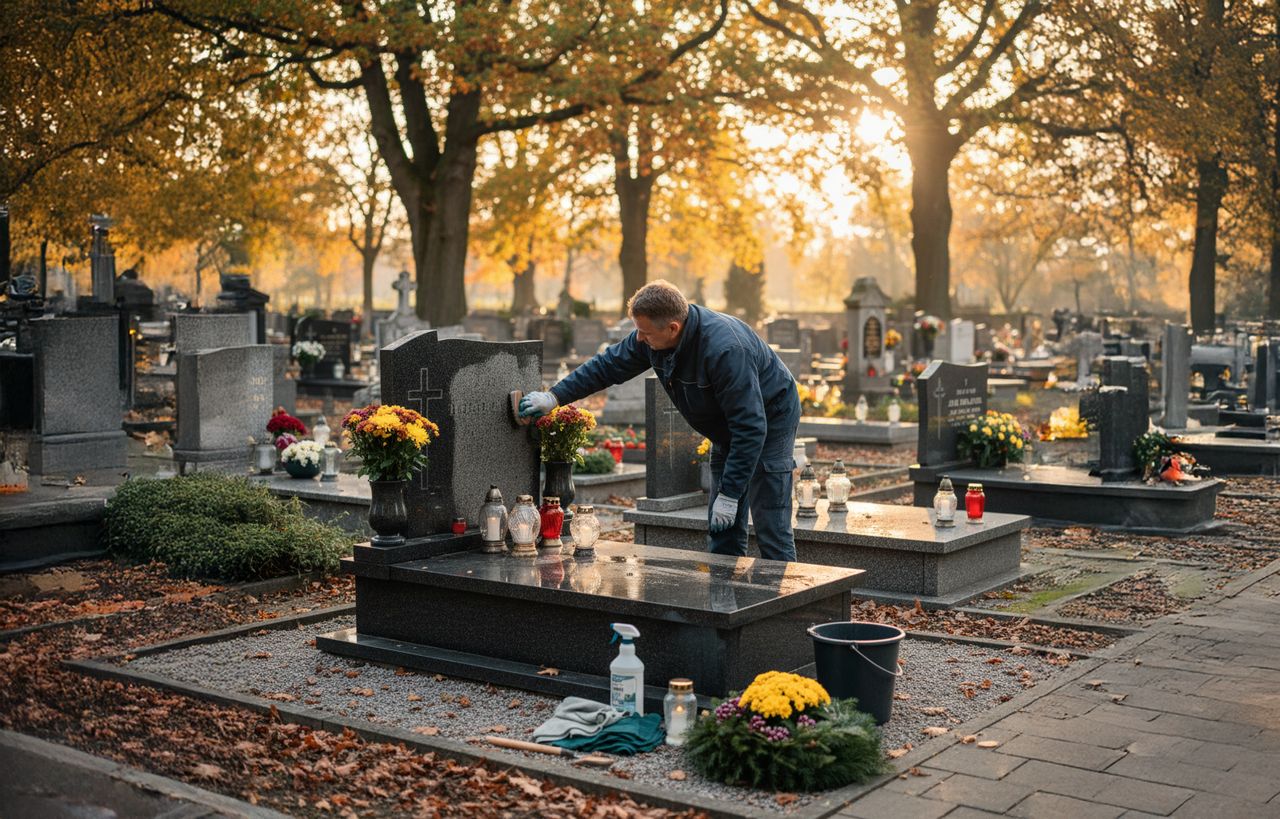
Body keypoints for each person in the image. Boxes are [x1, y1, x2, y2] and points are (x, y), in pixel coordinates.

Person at [519, 280, 801, 561]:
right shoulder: (653, 336)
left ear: (673, 328)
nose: (640, 339)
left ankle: (788, 587)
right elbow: (607, 366)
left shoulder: (725, 350)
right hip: (726, 427)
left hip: (771, 418)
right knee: (722, 530)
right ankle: (725, 588)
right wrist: (554, 397)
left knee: (770, 526)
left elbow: (750, 428)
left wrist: (729, 495)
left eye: (645, 333)